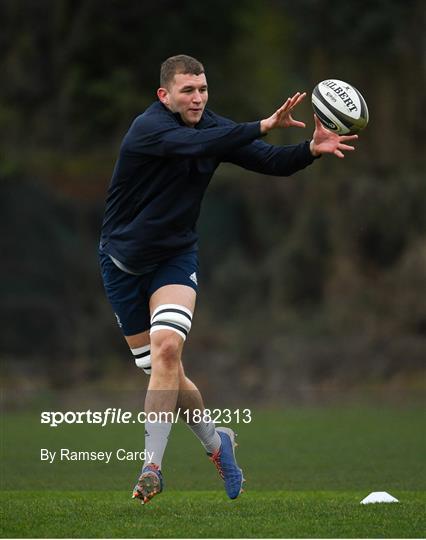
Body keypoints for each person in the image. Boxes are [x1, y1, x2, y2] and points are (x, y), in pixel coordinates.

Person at [99, 54, 358, 504]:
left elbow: (269, 161)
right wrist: (260, 124)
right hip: (121, 263)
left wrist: (309, 151)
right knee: (166, 372)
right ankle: (219, 444)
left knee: (167, 350)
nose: (197, 98)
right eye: (187, 90)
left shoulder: (216, 127)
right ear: (165, 95)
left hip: (175, 258)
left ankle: (151, 468)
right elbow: (194, 147)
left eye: (202, 89)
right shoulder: (149, 129)